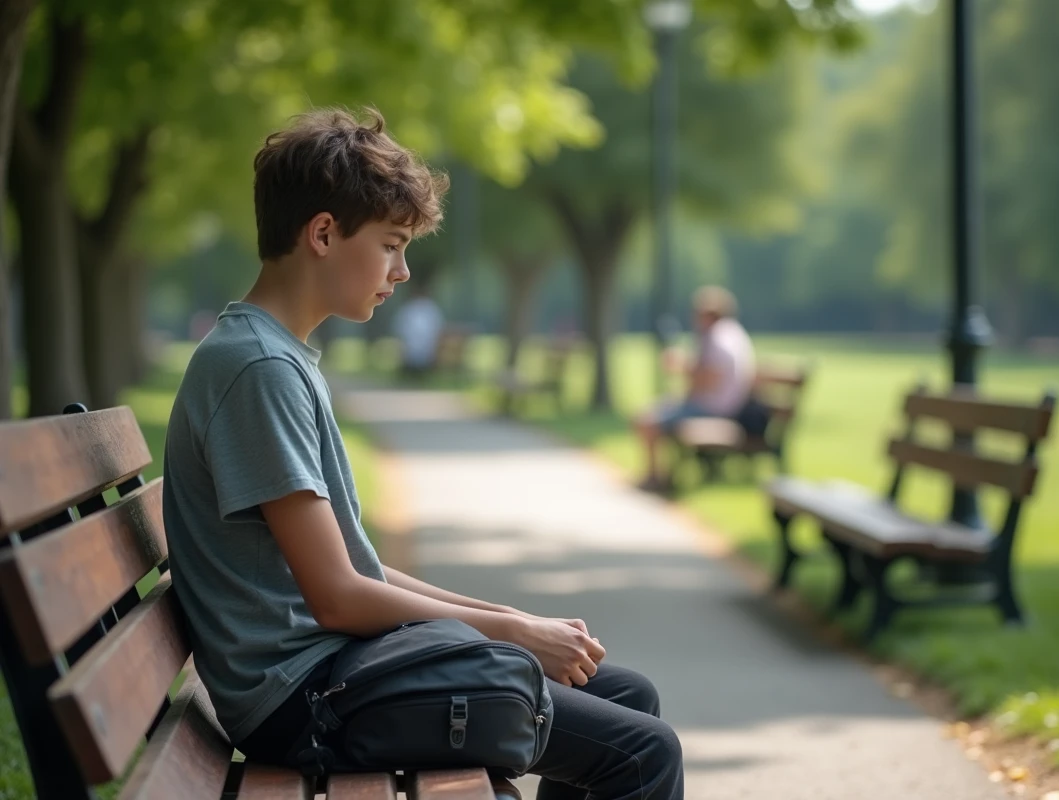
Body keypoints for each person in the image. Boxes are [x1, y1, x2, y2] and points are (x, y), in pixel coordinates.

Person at [161, 108, 683, 800]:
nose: (403, 271)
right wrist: (512, 630)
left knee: (627, 696)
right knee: (644, 753)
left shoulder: (273, 356)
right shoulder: (259, 369)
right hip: (306, 700)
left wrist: (512, 623)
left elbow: (358, 570)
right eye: (391, 245)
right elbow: (339, 598)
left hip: (331, 674)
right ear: (323, 233)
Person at [634, 286, 756, 492]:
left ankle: (656, 477)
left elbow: (712, 377)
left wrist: (682, 367)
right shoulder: (730, 332)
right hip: (724, 407)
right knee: (653, 414)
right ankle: (662, 475)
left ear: (709, 314)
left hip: (715, 409)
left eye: (698, 314)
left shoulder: (718, 336)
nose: (695, 319)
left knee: (647, 421)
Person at [392, 284, 443, 378]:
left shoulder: (430, 308)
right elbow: (402, 325)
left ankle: (422, 373)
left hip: (427, 340)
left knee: (424, 357)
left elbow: (436, 326)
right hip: (411, 340)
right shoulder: (409, 308)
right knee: (411, 356)